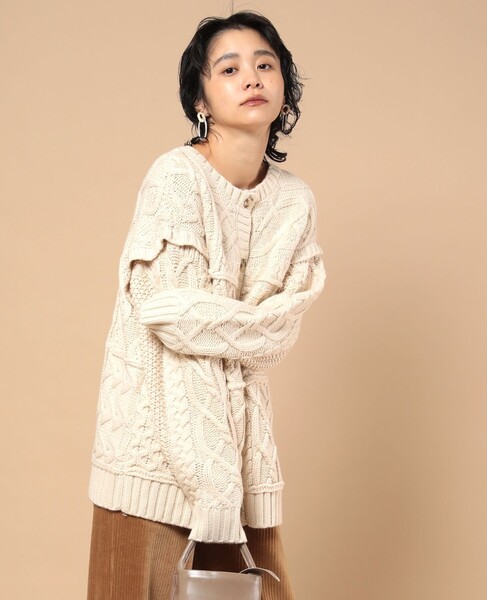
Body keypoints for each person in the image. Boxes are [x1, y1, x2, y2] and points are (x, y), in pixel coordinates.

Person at [87, 10, 326, 600]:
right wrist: (214, 489)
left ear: (284, 85)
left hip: (243, 464)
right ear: (201, 98)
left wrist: (229, 487)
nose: (252, 77)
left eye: (265, 64)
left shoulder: (295, 201)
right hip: (152, 456)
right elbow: (168, 314)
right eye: (230, 68)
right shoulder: (175, 178)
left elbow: (278, 333)